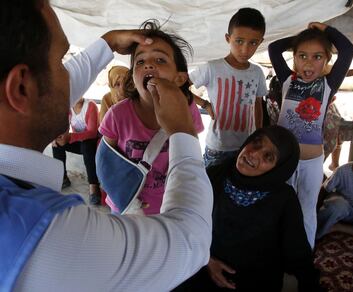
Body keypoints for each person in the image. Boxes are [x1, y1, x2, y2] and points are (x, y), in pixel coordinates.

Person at [0, 1, 212, 291]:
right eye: (62, 61)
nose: (70, 77)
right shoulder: (49, 236)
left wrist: (107, 43)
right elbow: (191, 239)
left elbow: (44, 92)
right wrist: (182, 133)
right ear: (21, 87)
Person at [175, 126, 322, 291]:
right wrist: (206, 260)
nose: (254, 153)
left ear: (278, 168)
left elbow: (297, 252)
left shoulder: (283, 199)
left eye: (268, 156)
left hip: (254, 281)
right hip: (202, 267)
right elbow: (184, 224)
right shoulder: (215, 176)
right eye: (256, 143)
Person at [99, 20, 204, 215]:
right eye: (140, 61)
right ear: (133, 76)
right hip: (126, 208)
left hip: (168, 209)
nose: (148, 65)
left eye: (160, 60)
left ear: (180, 78)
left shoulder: (187, 110)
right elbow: (105, 161)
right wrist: (124, 199)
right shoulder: (117, 114)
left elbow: (192, 156)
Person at [268, 22, 353, 248]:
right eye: (302, 55)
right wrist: (300, 36)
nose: (308, 62)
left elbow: (347, 50)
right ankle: (277, 251)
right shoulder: (287, 80)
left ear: (326, 61)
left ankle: (304, 257)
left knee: (307, 209)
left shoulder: (328, 84)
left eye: (317, 57)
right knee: (278, 206)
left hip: (311, 161)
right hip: (283, 158)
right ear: (294, 58)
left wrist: (325, 30)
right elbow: (274, 49)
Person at [190, 8, 267, 167]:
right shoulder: (212, 68)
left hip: (245, 146)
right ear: (228, 38)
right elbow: (180, 86)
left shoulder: (257, 72)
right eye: (239, 41)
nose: (245, 50)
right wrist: (204, 104)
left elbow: (258, 104)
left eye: (253, 43)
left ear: (260, 41)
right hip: (217, 146)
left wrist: (257, 135)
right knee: (212, 187)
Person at [52, 96, 101, 205]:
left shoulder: (90, 106)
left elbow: (92, 133)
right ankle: (63, 177)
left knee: (86, 145)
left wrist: (70, 137)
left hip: (92, 143)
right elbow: (62, 128)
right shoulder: (68, 109)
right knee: (57, 144)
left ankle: (94, 185)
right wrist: (57, 138)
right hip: (78, 142)